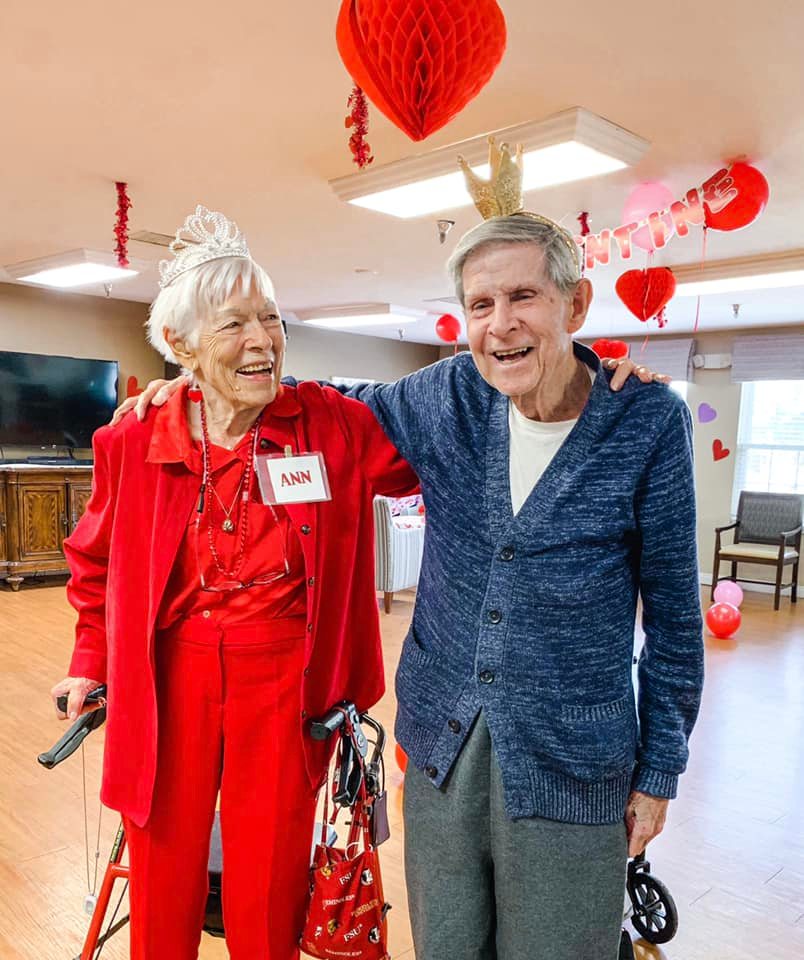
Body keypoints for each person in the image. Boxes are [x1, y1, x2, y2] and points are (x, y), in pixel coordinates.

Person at [121, 155, 699, 960]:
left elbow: (676, 621)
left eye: (524, 297)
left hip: (575, 762)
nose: (502, 323)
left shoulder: (644, 423)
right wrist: (189, 388)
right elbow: (315, 407)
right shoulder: (444, 397)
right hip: (442, 748)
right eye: (480, 305)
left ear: (576, 302)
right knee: (448, 946)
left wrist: (659, 769)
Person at [50, 205, 418, 960]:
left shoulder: (331, 425)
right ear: (180, 343)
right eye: (234, 325)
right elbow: (95, 562)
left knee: (270, 877)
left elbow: (430, 448)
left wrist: (572, 368)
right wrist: (90, 662)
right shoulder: (132, 439)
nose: (262, 341)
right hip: (167, 677)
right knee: (162, 874)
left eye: (271, 320)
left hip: (287, 676)